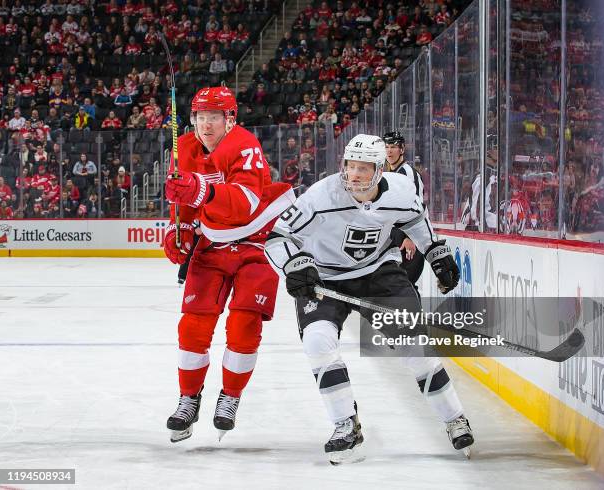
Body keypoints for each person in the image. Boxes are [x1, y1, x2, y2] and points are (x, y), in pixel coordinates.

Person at [264, 134, 473, 465]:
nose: (355, 174)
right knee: (318, 341)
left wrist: (434, 251)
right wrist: (293, 265)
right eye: (350, 166)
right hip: (326, 277)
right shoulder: (320, 196)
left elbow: (416, 220)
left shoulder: (401, 192)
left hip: (379, 273)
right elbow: (277, 239)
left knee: (415, 348)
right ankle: (345, 423)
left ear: (380, 170)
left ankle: (454, 418)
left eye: (364, 168)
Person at [163, 87, 295, 443]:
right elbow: (187, 202)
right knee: (192, 326)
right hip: (212, 244)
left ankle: (230, 398)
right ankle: (189, 399)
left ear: (230, 119)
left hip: (256, 241)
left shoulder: (244, 144)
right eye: (200, 117)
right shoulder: (186, 148)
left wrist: (199, 191)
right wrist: (183, 232)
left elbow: (245, 203)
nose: (205, 124)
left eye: (214, 117)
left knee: (243, 326)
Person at [383, 130, 426, 294]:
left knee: (405, 284)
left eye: (393, 147)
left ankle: (413, 319)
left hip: (410, 239)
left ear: (402, 149)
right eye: (386, 147)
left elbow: (417, 207)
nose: (389, 151)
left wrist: (410, 237)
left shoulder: (407, 172)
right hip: (396, 238)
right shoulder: (389, 174)